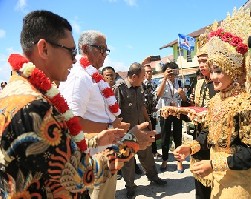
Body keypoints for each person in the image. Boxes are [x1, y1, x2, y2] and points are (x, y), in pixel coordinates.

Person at [0, 11, 155, 198]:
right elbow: (79, 174)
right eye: (71, 51)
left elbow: (57, 142)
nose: (74, 59)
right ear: (44, 49)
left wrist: (97, 139)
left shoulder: (25, 93)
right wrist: (131, 141)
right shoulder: (32, 106)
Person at [173, 8, 251, 198]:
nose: (213, 77)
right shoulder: (216, 101)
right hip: (218, 174)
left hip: (240, 179)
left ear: (233, 71)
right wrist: (191, 147)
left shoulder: (246, 104)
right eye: (212, 70)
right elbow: (208, 133)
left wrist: (213, 164)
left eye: (218, 71)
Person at [59, 30, 133, 199]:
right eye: (101, 49)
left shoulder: (92, 75)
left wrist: (114, 124)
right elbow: (73, 120)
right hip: (94, 155)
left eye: (106, 50)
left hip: (104, 151)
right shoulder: (79, 76)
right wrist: (110, 126)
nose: (105, 54)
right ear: (85, 48)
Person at [114, 62, 167, 199]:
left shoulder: (139, 87)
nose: (144, 78)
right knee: (128, 162)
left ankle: (153, 177)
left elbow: (142, 106)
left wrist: (148, 121)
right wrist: (122, 132)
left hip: (141, 129)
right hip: (128, 133)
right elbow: (115, 113)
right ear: (133, 76)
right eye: (142, 76)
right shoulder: (119, 88)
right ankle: (130, 186)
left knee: (147, 156)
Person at [184, 28, 218, 199]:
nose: (201, 65)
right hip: (199, 135)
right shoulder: (198, 84)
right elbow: (195, 107)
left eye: (204, 61)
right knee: (199, 181)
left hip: (215, 139)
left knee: (215, 183)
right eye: (199, 62)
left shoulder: (220, 83)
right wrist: (184, 106)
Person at [156, 61, 188, 173]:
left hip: (177, 112)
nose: (170, 74)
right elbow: (158, 95)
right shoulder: (161, 81)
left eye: (172, 71)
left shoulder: (179, 82)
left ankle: (179, 161)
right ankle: (165, 160)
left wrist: (182, 94)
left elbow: (184, 100)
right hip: (165, 112)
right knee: (165, 137)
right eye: (168, 71)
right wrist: (164, 78)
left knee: (177, 136)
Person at [143, 63, 161, 158]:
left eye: (150, 71)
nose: (149, 73)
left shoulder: (154, 83)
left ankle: (154, 151)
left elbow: (156, 97)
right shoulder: (141, 84)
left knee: (153, 132)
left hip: (153, 113)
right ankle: (147, 154)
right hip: (144, 114)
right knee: (146, 134)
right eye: (147, 71)